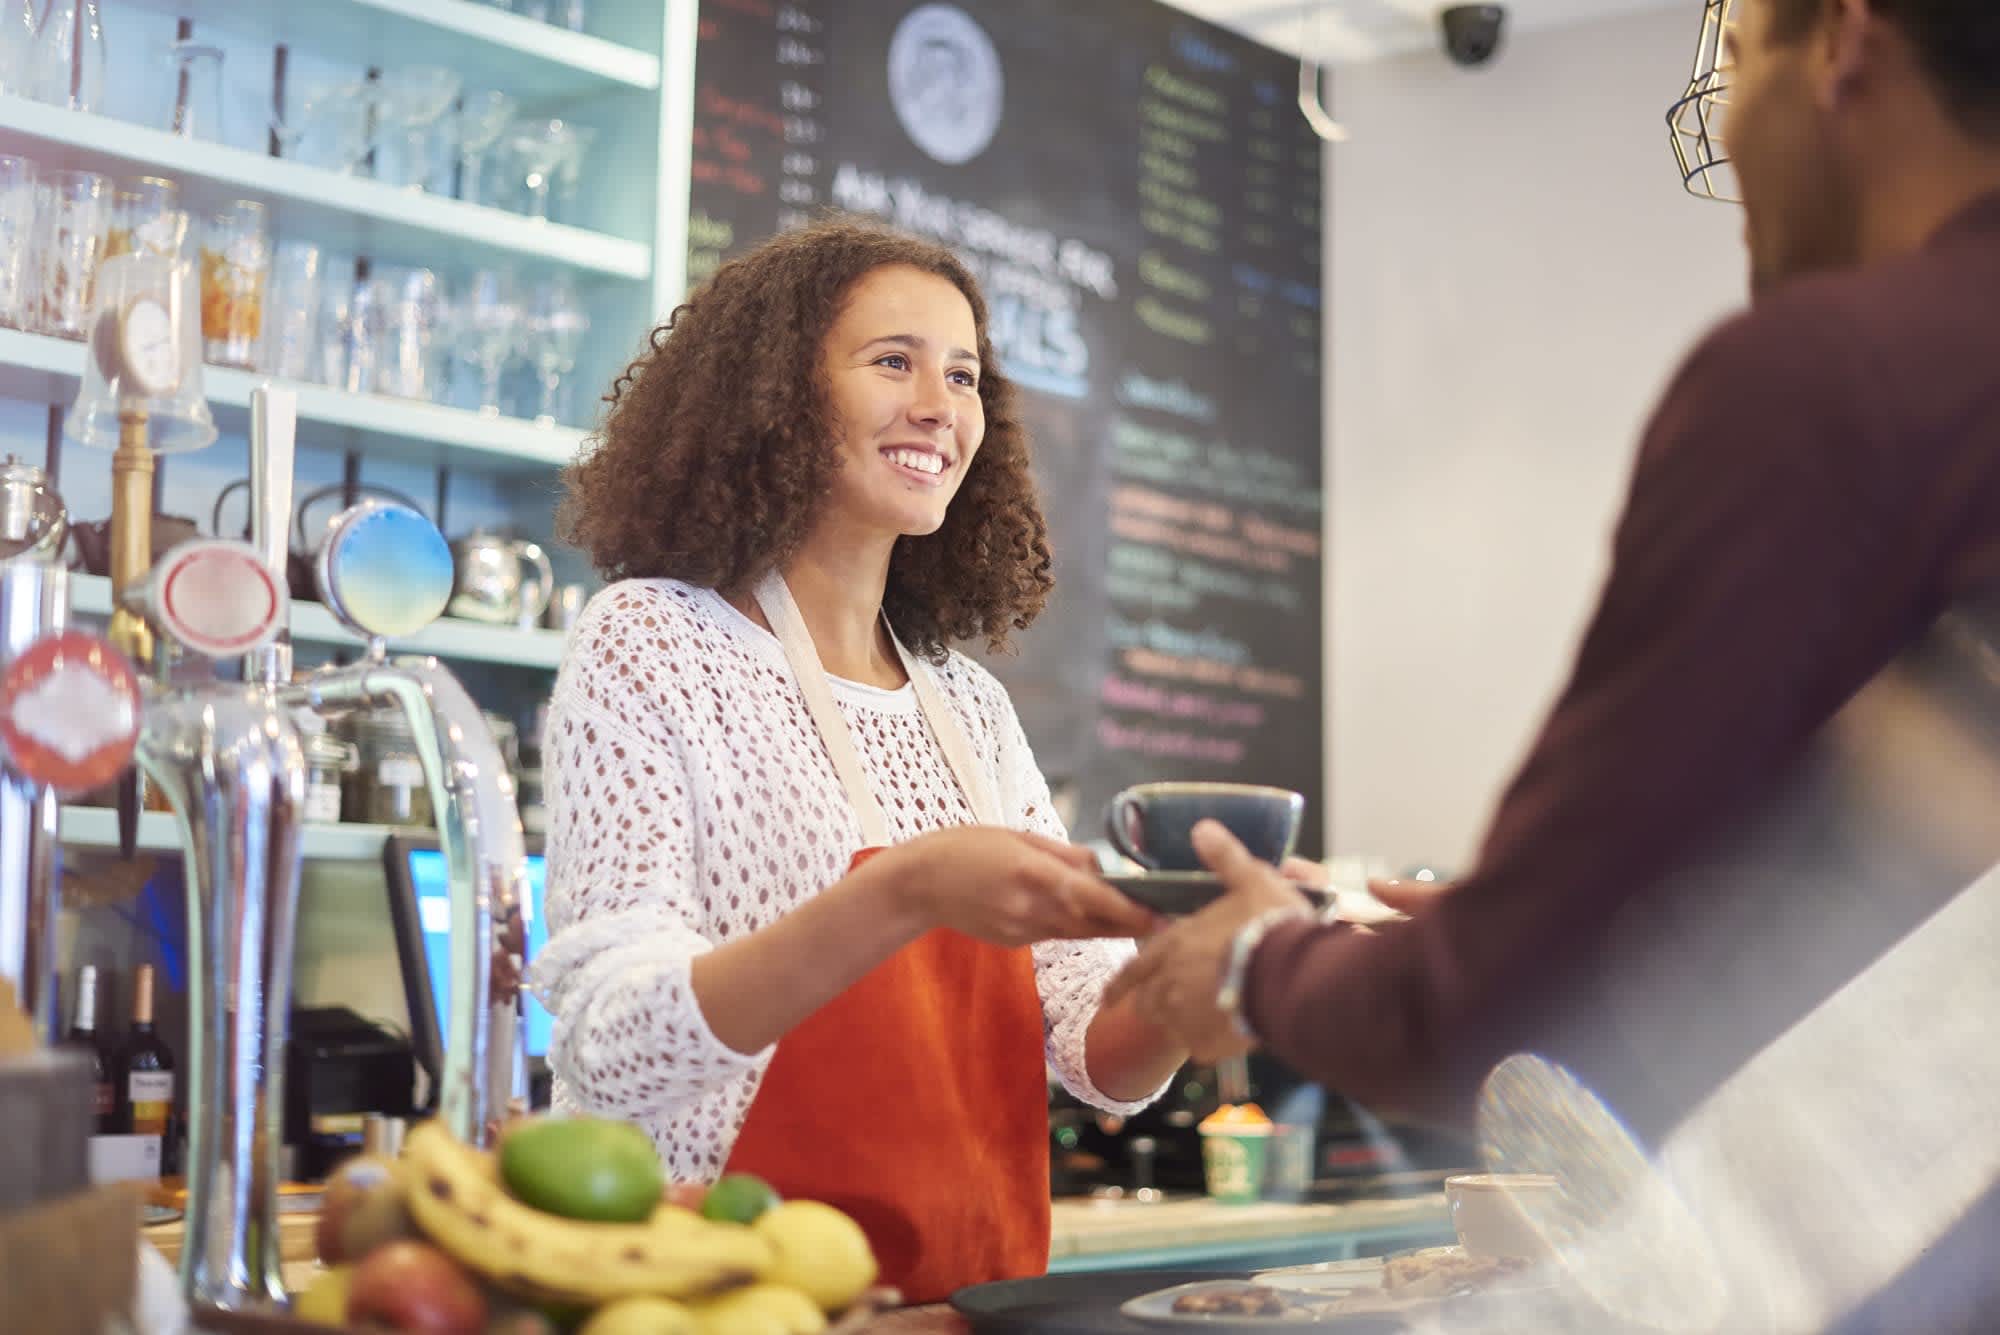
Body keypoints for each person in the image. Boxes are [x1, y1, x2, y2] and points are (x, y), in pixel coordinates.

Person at [1109, 0, 2000, 1326]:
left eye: (1736, 72)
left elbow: (1477, 1017)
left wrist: (1256, 965)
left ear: (1845, 42)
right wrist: (1527, 913)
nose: (1734, 160)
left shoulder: (1828, 377)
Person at [530, 219, 1183, 1304]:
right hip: (713, 1293)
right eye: (894, 361)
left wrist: (1201, 993)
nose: (941, 405)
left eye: (963, 374)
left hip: (949, 1299)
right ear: (776, 395)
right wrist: (904, 891)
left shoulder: (968, 705)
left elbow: (1086, 1047)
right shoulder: (648, 641)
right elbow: (613, 1040)